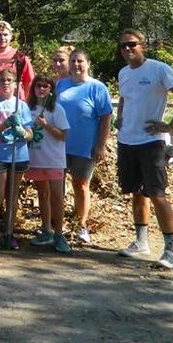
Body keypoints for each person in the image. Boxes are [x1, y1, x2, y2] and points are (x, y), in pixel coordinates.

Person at [114, 29, 173, 269]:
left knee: (157, 194)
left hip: (151, 142)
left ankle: (170, 250)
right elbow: (125, 99)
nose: (128, 49)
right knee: (136, 192)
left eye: (132, 44)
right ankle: (141, 242)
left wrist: (170, 126)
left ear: (143, 46)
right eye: (123, 46)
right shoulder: (123, 73)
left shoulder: (159, 69)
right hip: (127, 140)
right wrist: (120, 119)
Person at [56, 48, 112, 244]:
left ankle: (81, 225)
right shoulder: (61, 85)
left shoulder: (97, 87)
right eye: (73, 61)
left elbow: (106, 117)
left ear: (88, 64)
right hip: (59, 146)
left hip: (85, 146)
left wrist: (101, 145)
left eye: (80, 61)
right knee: (56, 187)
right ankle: (57, 226)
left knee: (80, 185)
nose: (76, 65)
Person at [0, 67, 34, 250]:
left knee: (12, 196)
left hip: (18, 155)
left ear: (16, 84)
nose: (6, 83)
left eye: (9, 80)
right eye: (2, 80)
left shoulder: (22, 105)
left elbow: (30, 134)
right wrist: (6, 123)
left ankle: (9, 232)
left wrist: (22, 132)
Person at [25, 74, 71, 253]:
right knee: (42, 195)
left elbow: (63, 135)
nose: (42, 89)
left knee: (56, 197)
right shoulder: (28, 108)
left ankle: (59, 234)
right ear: (33, 88)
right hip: (36, 159)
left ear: (51, 89)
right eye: (38, 86)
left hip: (54, 160)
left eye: (46, 86)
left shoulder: (56, 110)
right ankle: (46, 230)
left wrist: (46, 126)